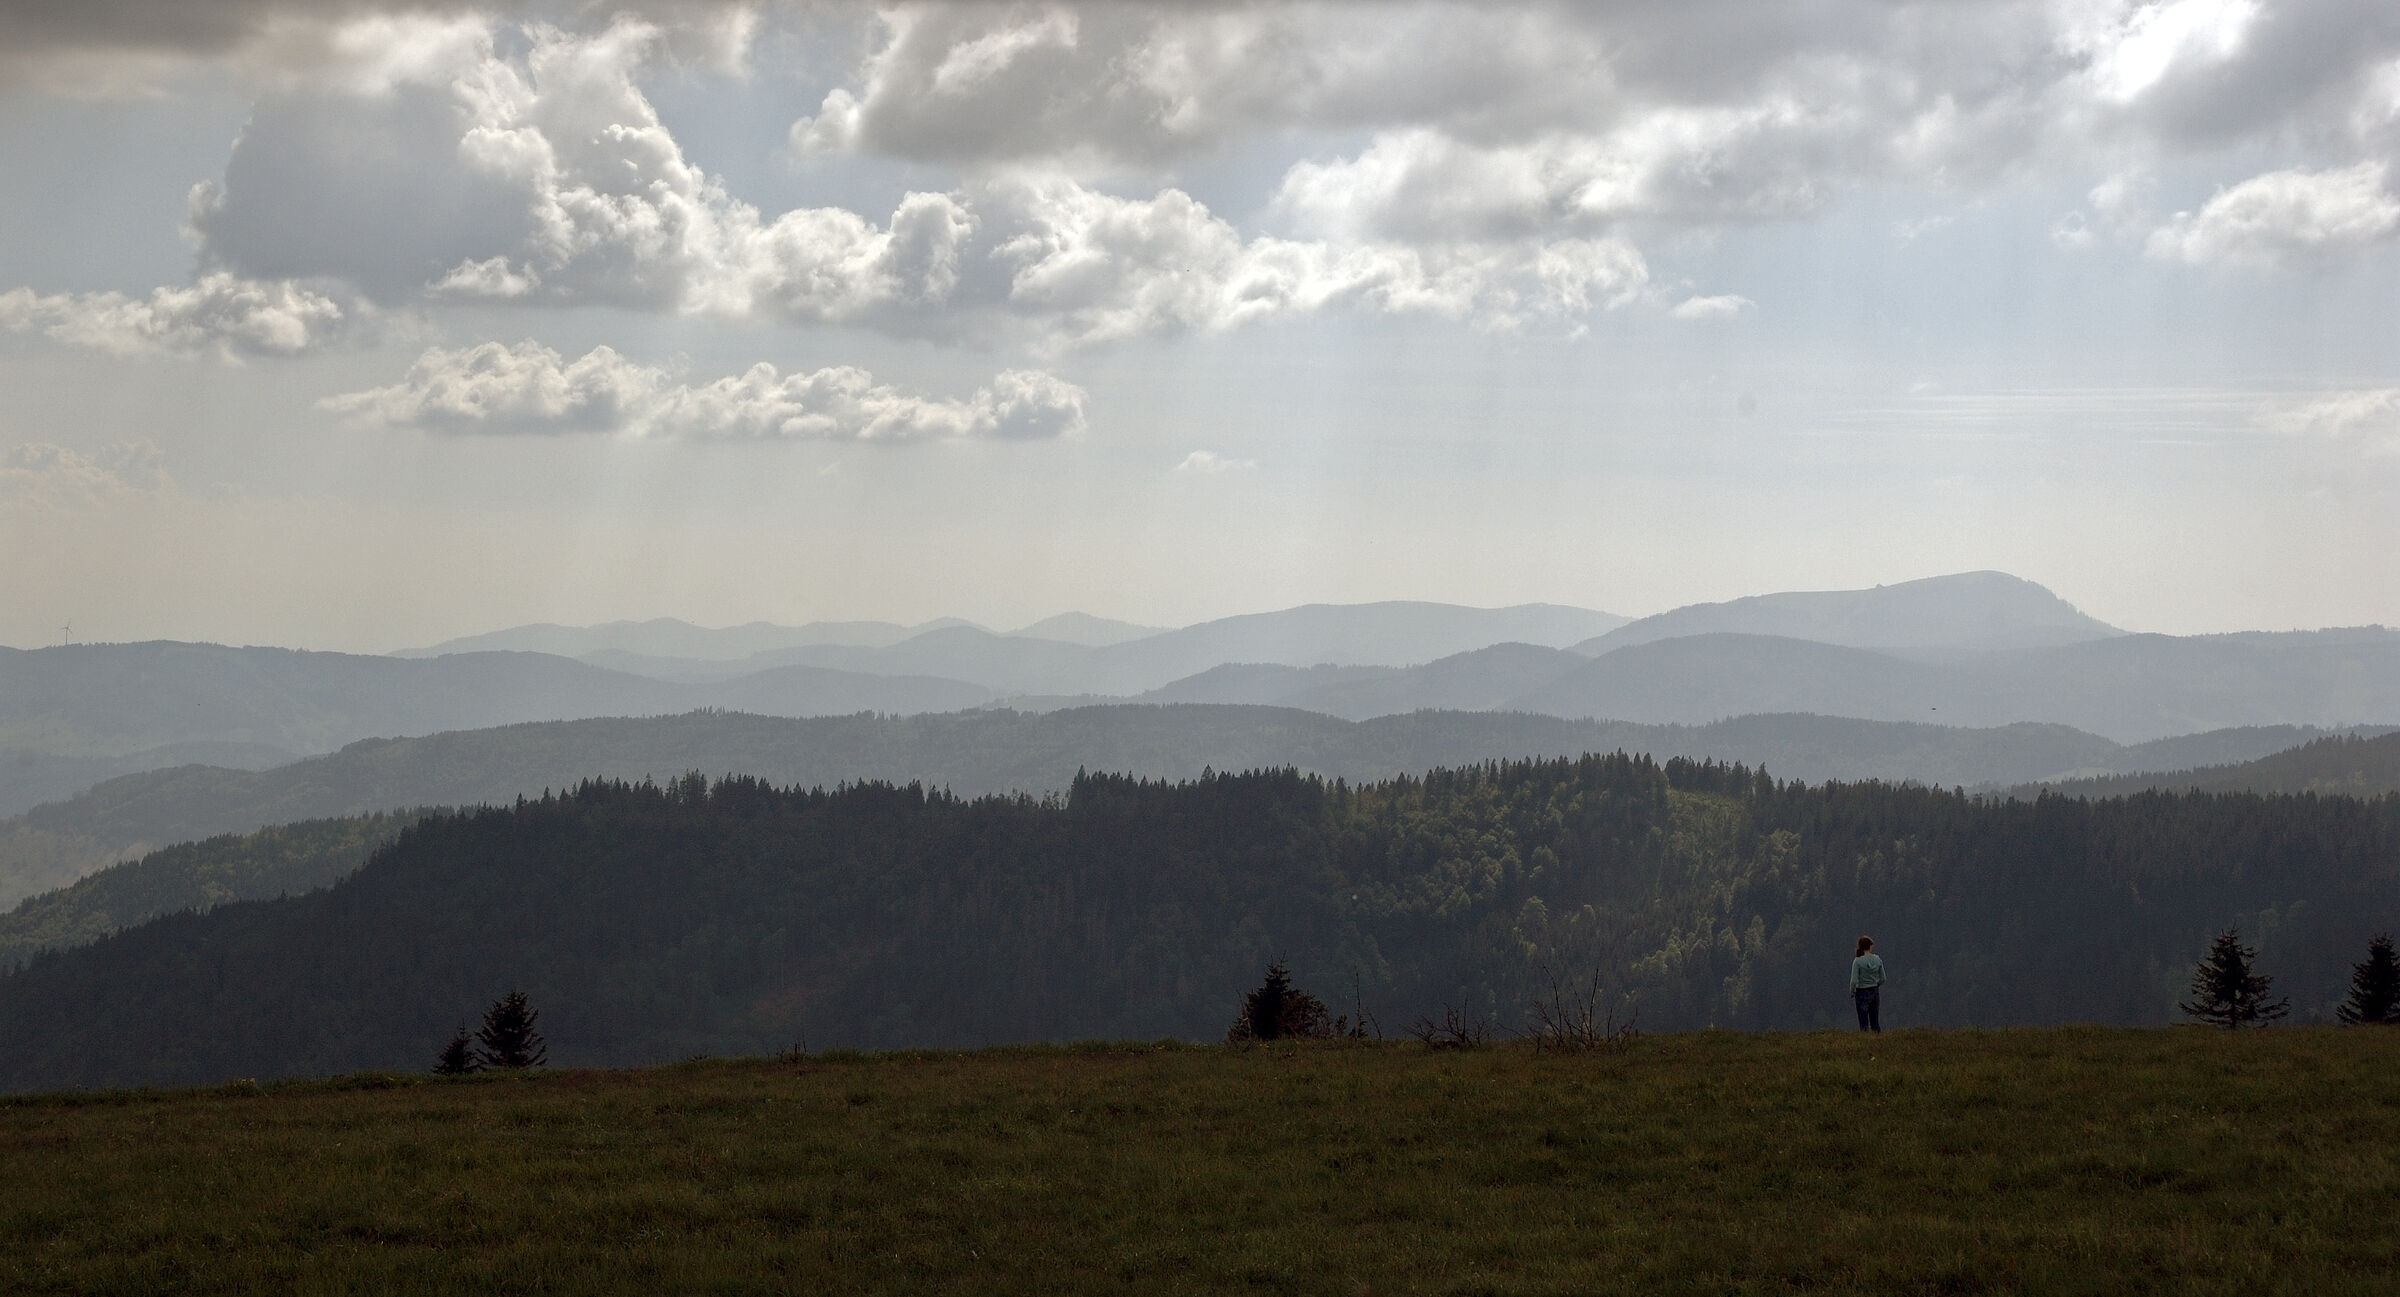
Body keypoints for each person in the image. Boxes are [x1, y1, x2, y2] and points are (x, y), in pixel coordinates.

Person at [1850, 936, 1884, 1032]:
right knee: (1875, 1021)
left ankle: (1865, 1038)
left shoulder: (1857, 961)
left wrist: (1852, 991)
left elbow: (1854, 980)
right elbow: (1883, 978)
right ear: (1870, 946)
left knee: (1863, 1022)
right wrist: (1876, 984)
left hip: (1861, 992)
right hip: (1874, 992)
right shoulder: (1877, 959)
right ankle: (1877, 1038)